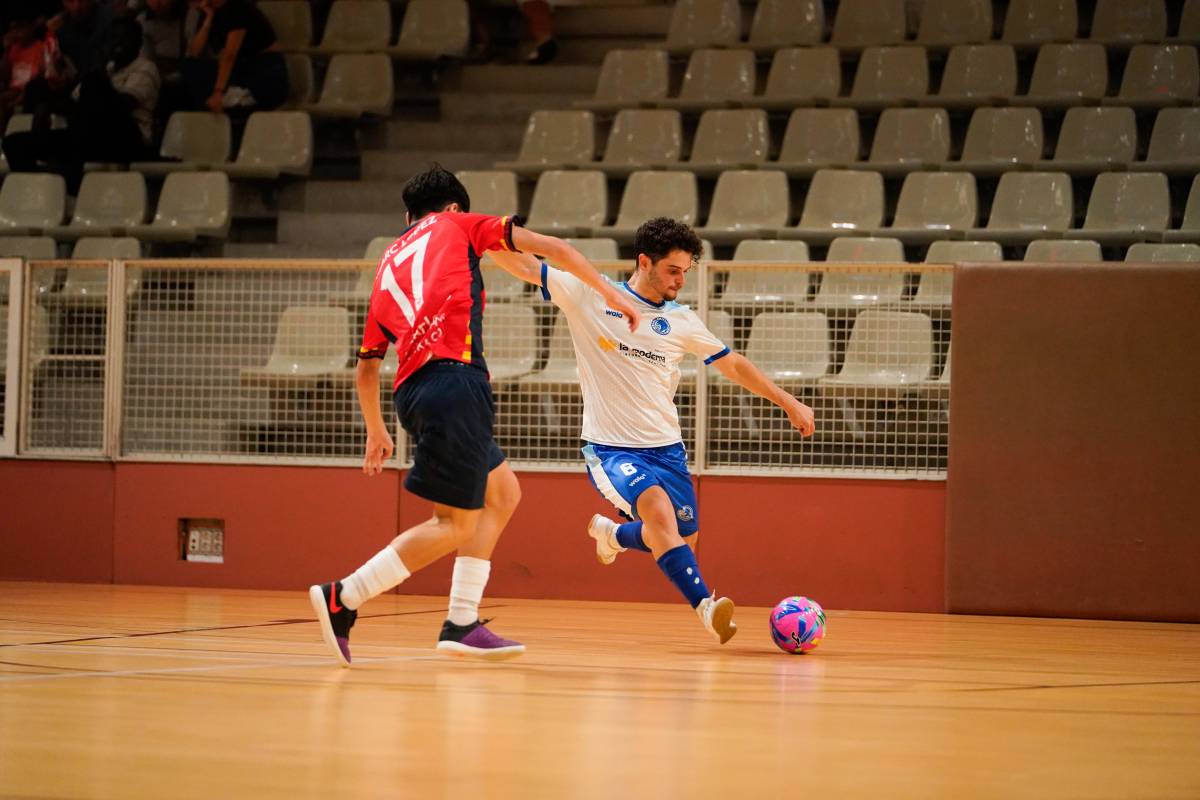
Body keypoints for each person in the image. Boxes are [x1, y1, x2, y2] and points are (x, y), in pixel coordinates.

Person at [309, 166, 642, 667]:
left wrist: (376, 430)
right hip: (456, 382)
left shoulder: (387, 260)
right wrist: (612, 294)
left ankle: (461, 622)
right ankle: (344, 597)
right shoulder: (459, 224)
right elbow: (556, 249)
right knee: (454, 524)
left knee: (503, 492)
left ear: (407, 216)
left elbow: (366, 366)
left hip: (416, 391)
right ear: (454, 208)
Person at [488, 218, 816, 644]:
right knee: (658, 514)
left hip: (667, 449)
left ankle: (613, 534)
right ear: (644, 262)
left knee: (683, 539)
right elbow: (528, 267)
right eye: (673, 271)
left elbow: (732, 364)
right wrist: (477, 233)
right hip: (611, 448)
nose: (681, 280)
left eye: (685, 272)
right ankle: (706, 607)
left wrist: (788, 401)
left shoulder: (682, 320)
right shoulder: (592, 295)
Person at [3, 15, 159, 192]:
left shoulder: (145, 67)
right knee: (14, 143)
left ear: (138, 43)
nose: (118, 43)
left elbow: (122, 105)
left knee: (93, 83)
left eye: (125, 38)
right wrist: (47, 105)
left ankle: (69, 183)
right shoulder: (106, 69)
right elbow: (74, 102)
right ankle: (45, 189)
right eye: (114, 38)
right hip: (89, 137)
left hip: (127, 139)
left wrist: (98, 78)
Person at [181, 0, 287, 114]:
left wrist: (218, 92)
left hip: (264, 67)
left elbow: (230, 54)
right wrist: (208, 20)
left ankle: (230, 101)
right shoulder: (209, 12)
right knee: (190, 66)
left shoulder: (238, 8)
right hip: (240, 68)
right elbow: (194, 52)